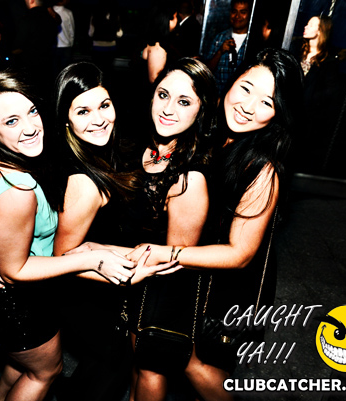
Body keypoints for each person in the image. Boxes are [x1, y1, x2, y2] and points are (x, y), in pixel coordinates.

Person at [127, 48, 304, 401]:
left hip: (224, 285)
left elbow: (240, 254)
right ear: (231, 82)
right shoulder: (212, 131)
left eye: (266, 102)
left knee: (194, 362)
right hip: (192, 265)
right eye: (246, 88)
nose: (248, 106)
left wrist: (167, 252)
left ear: (279, 113)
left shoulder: (263, 168)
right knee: (159, 352)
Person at [0, 68, 145, 401]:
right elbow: (15, 269)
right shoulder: (18, 191)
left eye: (32, 111)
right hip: (17, 301)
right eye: (12, 121)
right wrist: (94, 258)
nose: (30, 127)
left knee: (22, 365)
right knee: (44, 373)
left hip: (5, 294)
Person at [51, 61, 180, 401]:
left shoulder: (105, 151)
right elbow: (60, 257)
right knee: (110, 371)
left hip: (105, 291)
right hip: (89, 299)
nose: (98, 119)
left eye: (104, 105)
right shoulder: (84, 182)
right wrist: (110, 260)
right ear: (65, 119)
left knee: (98, 373)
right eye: (83, 112)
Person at [123, 57, 217, 401]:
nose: (168, 109)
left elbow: (175, 259)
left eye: (184, 102)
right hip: (139, 275)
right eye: (163, 95)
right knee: (140, 363)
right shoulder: (146, 147)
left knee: (152, 367)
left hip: (162, 283)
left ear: (201, 110)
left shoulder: (189, 177)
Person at [291, 15, 346, 173]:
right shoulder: (296, 49)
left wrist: (308, 100)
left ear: (320, 31)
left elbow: (332, 91)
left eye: (310, 25)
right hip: (287, 108)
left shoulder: (328, 60)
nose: (305, 27)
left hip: (307, 116)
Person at [205, 0, 252, 95]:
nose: (237, 16)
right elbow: (207, 71)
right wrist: (220, 52)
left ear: (250, 15)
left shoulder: (253, 41)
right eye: (234, 11)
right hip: (218, 96)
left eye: (243, 12)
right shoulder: (220, 38)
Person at [142, 1, 179, 84]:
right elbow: (154, 79)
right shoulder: (157, 47)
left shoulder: (153, 40)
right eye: (175, 17)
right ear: (166, 20)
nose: (177, 20)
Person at [88, 0, 123, 80]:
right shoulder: (115, 16)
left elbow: (90, 33)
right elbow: (119, 34)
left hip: (97, 46)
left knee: (97, 69)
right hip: (110, 47)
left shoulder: (95, 15)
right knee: (108, 70)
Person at [52, 0, 75, 75]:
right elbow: (71, 30)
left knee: (55, 70)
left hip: (53, 46)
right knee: (65, 71)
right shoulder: (68, 12)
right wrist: (71, 43)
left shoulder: (49, 12)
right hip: (66, 45)